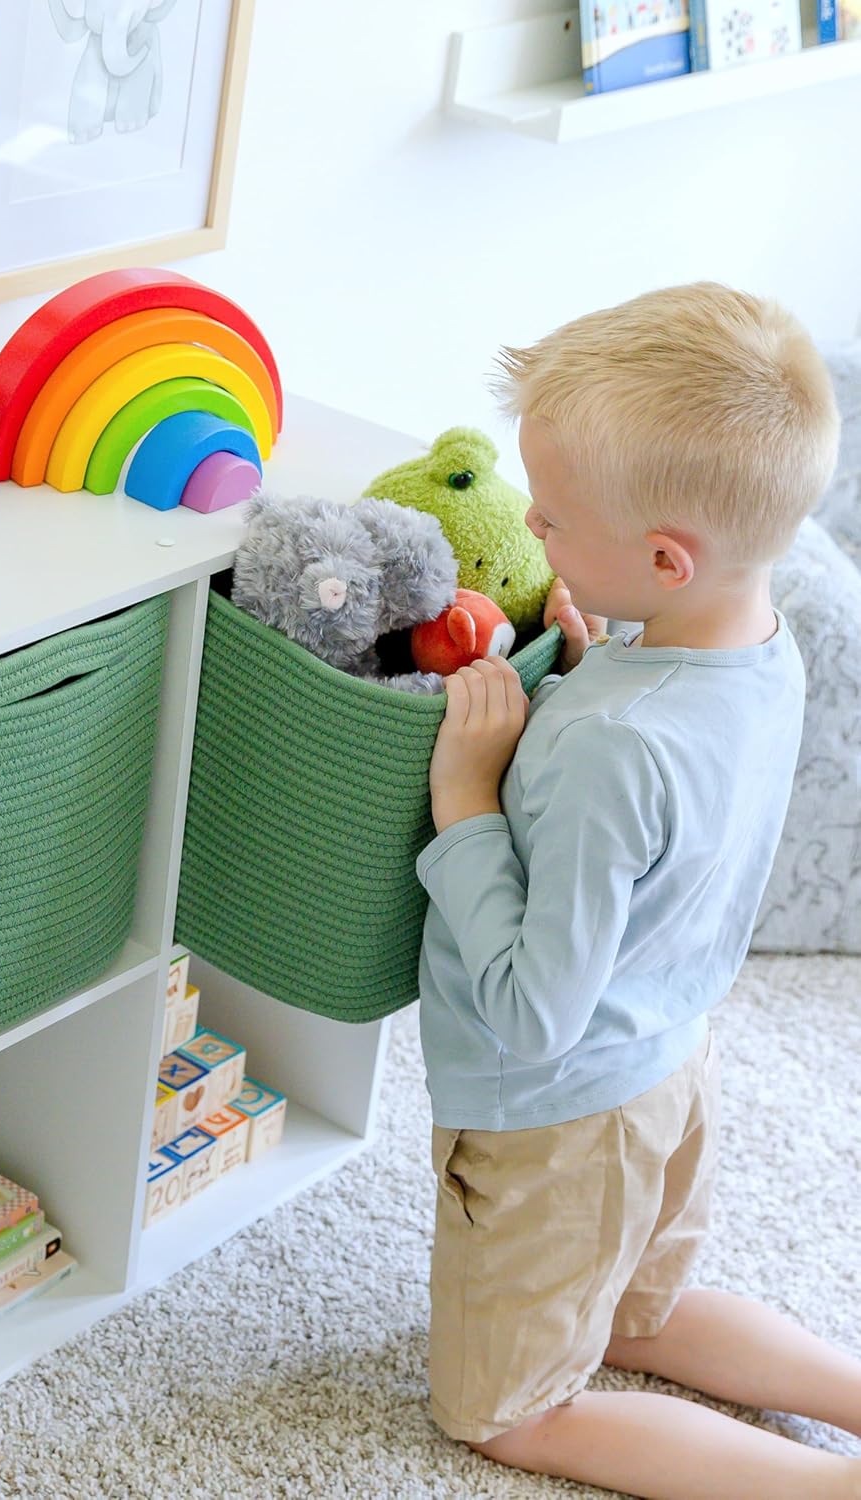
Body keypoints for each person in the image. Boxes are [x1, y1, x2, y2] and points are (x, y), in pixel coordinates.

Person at [419, 282, 860, 1498]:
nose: (534, 530)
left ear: (665, 558)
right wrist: (605, 646)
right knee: (640, 1317)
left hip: (559, 1119)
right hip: (670, 1065)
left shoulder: (606, 748)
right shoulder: (760, 648)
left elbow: (533, 1010)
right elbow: (675, 793)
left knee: (509, 1411)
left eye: (551, 520)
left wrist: (468, 798)